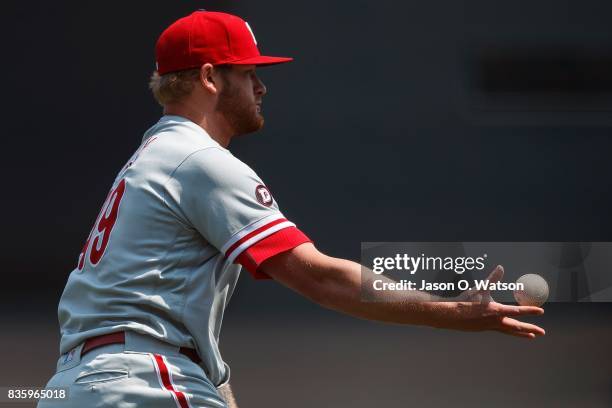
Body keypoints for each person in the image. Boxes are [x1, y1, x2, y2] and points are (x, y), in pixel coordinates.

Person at [39, 10, 545, 408]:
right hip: (143, 384)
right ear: (211, 77)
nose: (261, 87)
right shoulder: (200, 160)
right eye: (249, 72)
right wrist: (454, 313)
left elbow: (192, 349)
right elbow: (320, 278)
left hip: (79, 385)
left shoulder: (151, 159)